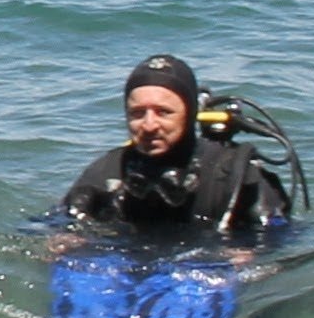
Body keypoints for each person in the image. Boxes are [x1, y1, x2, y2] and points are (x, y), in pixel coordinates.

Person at [64, 54, 293, 243]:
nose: (149, 125)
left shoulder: (234, 174)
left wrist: (248, 254)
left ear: (190, 114)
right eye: (137, 113)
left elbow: (281, 238)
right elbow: (59, 221)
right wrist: (63, 240)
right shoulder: (108, 170)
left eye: (163, 112)